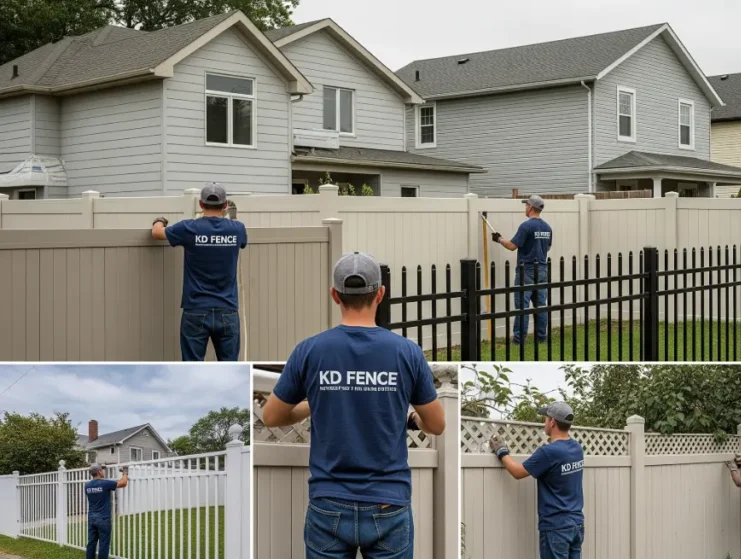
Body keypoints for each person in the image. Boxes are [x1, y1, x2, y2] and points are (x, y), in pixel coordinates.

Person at [261, 251, 447, 559]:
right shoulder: (407, 352)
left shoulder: (309, 350)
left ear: (335, 295)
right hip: (389, 502)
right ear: (381, 294)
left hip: (328, 502)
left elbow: (271, 416)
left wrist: (319, 399)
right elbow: (437, 425)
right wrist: (415, 417)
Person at [152, 183, 248, 361]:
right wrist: (232, 216)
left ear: (201, 204)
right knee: (230, 370)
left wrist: (160, 221)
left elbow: (157, 233)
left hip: (196, 310)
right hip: (227, 310)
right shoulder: (237, 229)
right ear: (225, 205)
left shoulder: (189, 228)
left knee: (192, 368)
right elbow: (240, 236)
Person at [489, 402, 584, 559]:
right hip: (576, 524)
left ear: (552, 422)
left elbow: (517, 472)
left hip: (556, 527)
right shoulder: (577, 448)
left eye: (546, 418)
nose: (544, 422)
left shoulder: (549, 452)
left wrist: (501, 451)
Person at [491, 195, 553, 344]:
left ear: (530, 207)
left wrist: (499, 239)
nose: (525, 207)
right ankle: (541, 337)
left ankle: (519, 340)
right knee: (540, 305)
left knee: (522, 307)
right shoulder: (547, 227)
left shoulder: (526, 226)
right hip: (542, 269)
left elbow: (512, 246)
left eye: (526, 205)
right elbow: (548, 247)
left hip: (526, 270)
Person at [84, 464, 129, 559]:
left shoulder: (87, 485)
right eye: (102, 470)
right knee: (104, 544)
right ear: (99, 472)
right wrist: (125, 472)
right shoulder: (105, 484)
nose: (103, 471)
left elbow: (97, 489)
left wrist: (102, 467)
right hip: (103, 518)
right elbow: (123, 483)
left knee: (91, 543)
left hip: (92, 518)